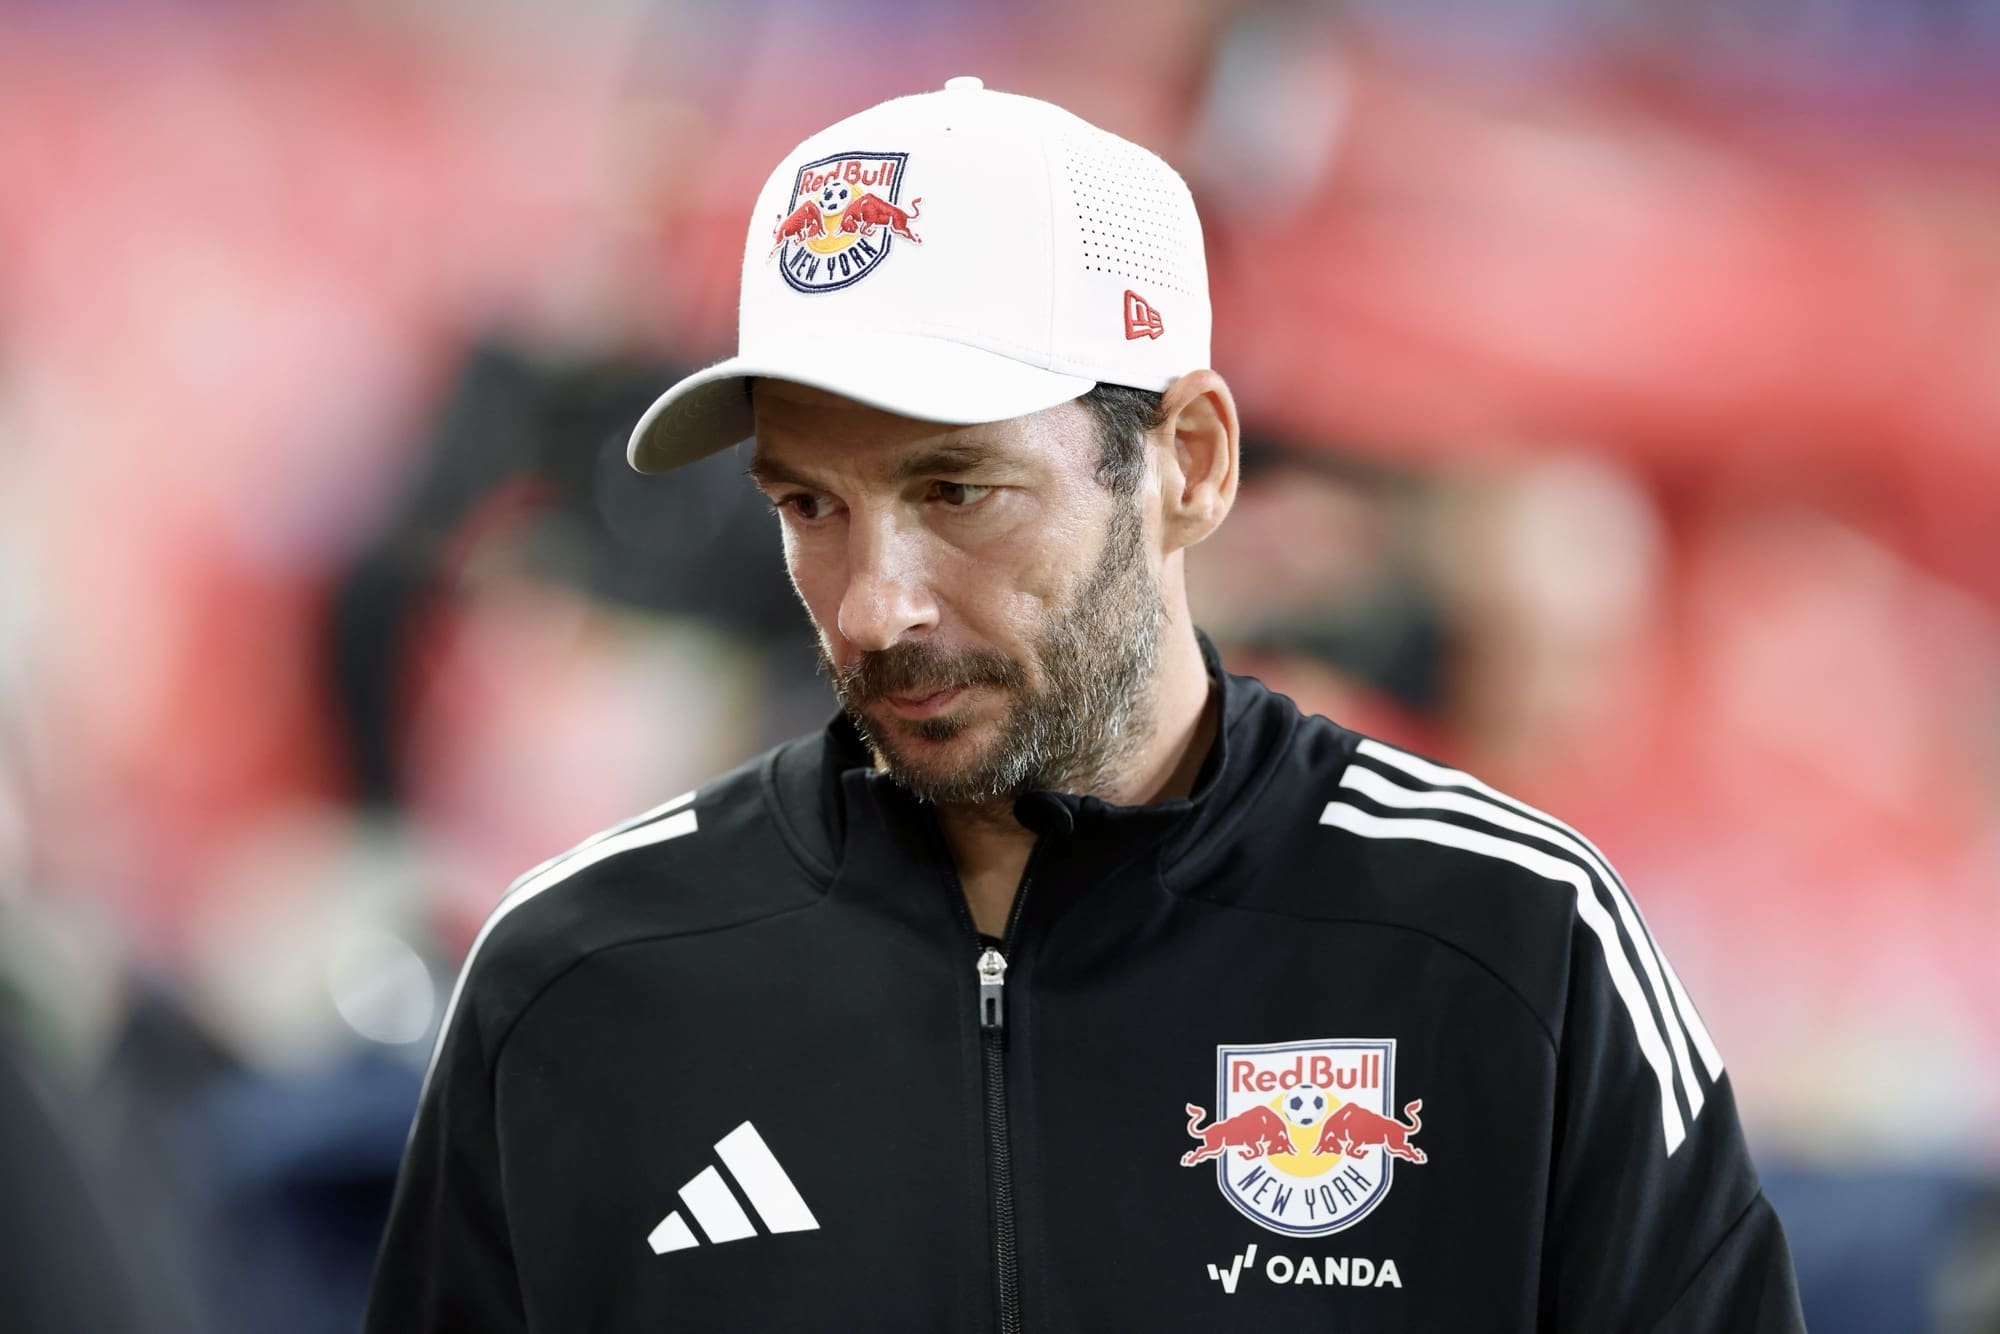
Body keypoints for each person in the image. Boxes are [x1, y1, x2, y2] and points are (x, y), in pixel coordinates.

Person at [365, 78, 1804, 1332]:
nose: (875, 604)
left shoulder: (1514, 946)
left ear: (1188, 461)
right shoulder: (577, 983)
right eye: (810, 504)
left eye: (958, 491)